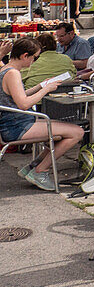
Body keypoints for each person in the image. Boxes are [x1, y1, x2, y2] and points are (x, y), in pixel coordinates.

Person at [1, 38, 85, 190]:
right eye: (34, 58)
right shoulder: (13, 73)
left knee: (62, 132)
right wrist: (46, 90)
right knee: (77, 132)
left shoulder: (6, 69)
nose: (34, 62)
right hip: (17, 127)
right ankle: (40, 170)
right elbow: (24, 104)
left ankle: (34, 166)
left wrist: (41, 86)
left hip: (16, 123)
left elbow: (19, 95)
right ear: (25, 56)